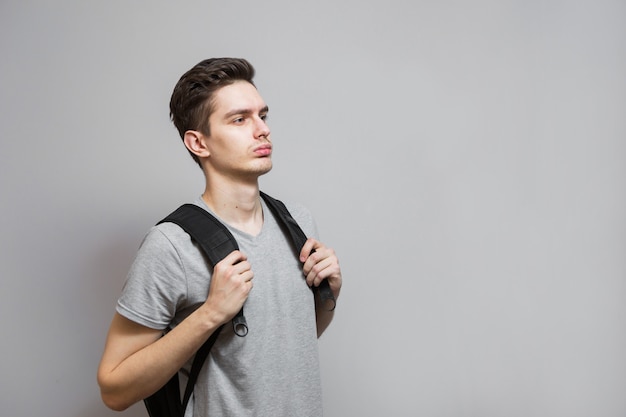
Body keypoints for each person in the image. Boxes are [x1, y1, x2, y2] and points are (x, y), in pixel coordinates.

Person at [97, 58, 342, 416]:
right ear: (198, 143)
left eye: (263, 115)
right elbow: (114, 390)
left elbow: (280, 349)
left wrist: (328, 294)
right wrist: (211, 313)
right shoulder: (171, 246)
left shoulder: (298, 224)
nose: (262, 130)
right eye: (240, 119)